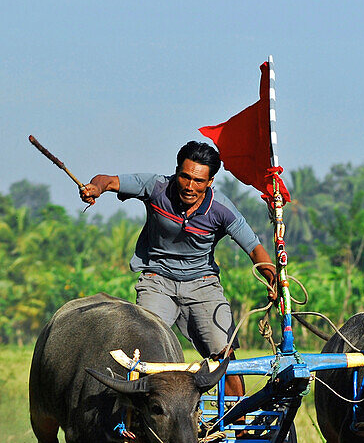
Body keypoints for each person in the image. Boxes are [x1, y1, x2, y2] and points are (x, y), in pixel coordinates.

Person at [80, 141, 276, 396]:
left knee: (223, 350)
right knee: (144, 347)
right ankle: (135, 418)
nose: (190, 186)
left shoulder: (221, 209)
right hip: (157, 281)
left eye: (198, 181)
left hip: (203, 284)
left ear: (210, 181)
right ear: (176, 172)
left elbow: (254, 249)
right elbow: (108, 181)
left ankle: (234, 416)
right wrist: (96, 187)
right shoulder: (156, 187)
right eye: (184, 177)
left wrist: (275, 280)